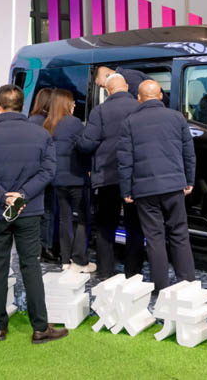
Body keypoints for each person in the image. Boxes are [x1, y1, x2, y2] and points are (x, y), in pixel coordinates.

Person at [0, 85, 66, 344]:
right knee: (31, 265)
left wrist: (3, 196)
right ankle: (40, 327)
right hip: (29, 209)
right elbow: (48, 171)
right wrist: (21, 195)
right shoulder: (40, 134)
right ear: (21, 106)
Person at [117, 80, 197, 291]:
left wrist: (126, 190)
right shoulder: (177, 118)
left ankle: (161, 288)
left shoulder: (130, 122)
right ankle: (188, 284)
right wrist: (189, 180)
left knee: (154, 238)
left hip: (145, 190)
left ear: (139, 98)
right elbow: (189, 154)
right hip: (174, 185)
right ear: (160, 96)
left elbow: (125, 160)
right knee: (180, 234)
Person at [77, 74, 144, 280]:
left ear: (107, 91)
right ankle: (133, 272)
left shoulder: (100, 111)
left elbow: (87, 144)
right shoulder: (139, 108)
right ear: (127, 86)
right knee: (135, 225)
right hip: (136, 176)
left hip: (108, 176)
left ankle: (106, 271)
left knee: (106, 225)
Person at [44, 89, 94, 272]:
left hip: (58, 179)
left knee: (64, 220)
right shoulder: (73, 123)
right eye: (72, 101)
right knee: (82, 219)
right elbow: (85, 146)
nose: (74, 105)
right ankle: (80, 261)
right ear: (66, 104)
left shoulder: (48, 124)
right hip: (76, 177)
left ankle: (66, 260)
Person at [28, 88, 58, 263]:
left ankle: (36, 246)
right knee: (47, 211)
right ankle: (45, 247)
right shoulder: (48, 122)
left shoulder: (30, 120)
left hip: (31, 173)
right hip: (45, 174)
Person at [94, 66, 169, 106]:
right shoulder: (127, 75)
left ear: (107, 75)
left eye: (102, 86)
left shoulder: (129, 78)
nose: (105, 88)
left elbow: (143, 102)